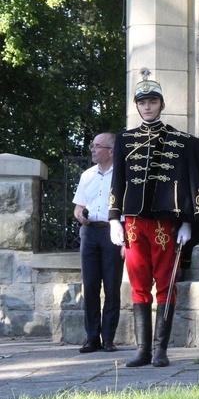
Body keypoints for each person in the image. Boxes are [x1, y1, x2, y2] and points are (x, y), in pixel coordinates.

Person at [109, 68, 199, 368]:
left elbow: (193, 182)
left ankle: (160, 349)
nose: (148, 106)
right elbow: (118, 181)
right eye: (143, 102)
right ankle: (142, 350)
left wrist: (190, 221)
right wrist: (114, 218)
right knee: (139, 284)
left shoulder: (183, 142)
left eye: (153, 101)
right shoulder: (125, 141)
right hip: (134, 223)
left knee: (166, 284)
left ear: (162, 104)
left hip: (167, 224)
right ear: (137, 106)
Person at [73, 132, 125, 353]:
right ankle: (92, 337)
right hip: (90, 232)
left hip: (112, 232)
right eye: (93, 146)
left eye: (97, 146)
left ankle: (108, 338)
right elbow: (77, 207)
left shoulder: (122, 175)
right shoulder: (87, 176)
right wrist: (80, 216)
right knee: (91, 286)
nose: (93, 150)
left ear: (111, 151)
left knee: (112, 287)